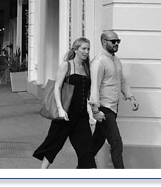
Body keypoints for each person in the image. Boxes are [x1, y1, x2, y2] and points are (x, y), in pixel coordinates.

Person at [33, 37, 104, 168]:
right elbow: (57, 87)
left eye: (88, 49)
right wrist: (60, 109)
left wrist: (95, 112)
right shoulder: (67, 65)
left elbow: (88, 94)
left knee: (86, 150)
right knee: (54, 144)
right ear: (75, 49)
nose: (86, 52)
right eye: (83, 48)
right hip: (66, 113)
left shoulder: (87, 68)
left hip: (81, 116)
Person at [88, 30, 138, 169]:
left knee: (96, 142)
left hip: (114, 107)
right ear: (104, 42)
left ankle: (82, 167)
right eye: (113, 41)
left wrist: (130, 96)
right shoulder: (98, 62)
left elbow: (121, 80)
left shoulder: (116, 60)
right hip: (104, 108)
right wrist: (95, 110)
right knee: (116, 142)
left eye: (118, 41)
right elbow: (94, 87)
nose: (117, 44)